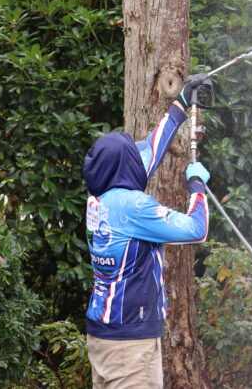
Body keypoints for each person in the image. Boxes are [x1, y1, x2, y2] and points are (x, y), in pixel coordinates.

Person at [82, 77, 212, 388]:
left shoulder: (100, 196)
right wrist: (197, 186)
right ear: (124, 166)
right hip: (129, 345)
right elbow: (197, 230)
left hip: (104, 332)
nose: (140, 155)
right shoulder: (133, 208)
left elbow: (150, 152)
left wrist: (180, 103)